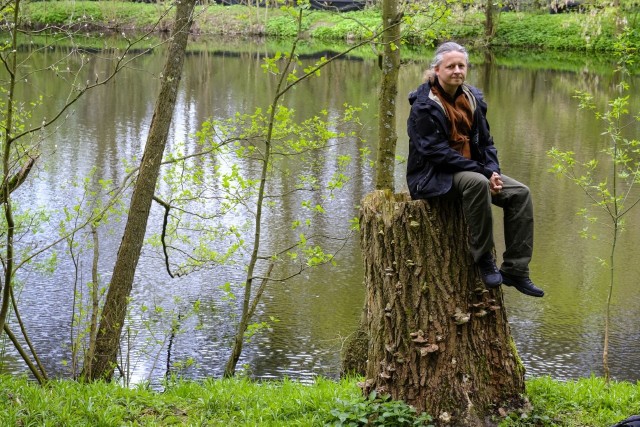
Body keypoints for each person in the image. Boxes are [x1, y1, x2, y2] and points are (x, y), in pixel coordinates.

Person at [406, 41, 544, 298]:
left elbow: (486, 143)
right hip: (434, 176)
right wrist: (482, 174)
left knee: (520, 193)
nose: (457, 70)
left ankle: (516, 269)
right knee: (476, 183)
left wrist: (492, 171)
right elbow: (437, 154)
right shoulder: (423, 106)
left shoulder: (472, 99)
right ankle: (484, 260)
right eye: (451, 66)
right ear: (436, 69)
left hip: (474, 170)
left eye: (462, 65)